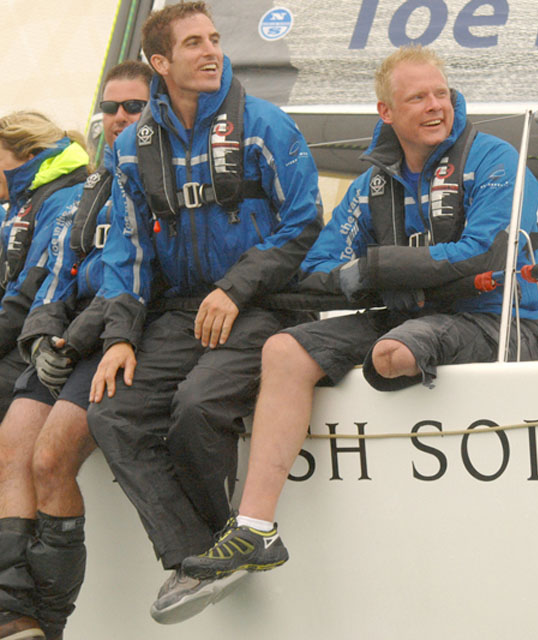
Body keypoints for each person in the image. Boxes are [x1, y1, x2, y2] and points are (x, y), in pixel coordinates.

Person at [178, 45, 538, 599]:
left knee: (394, 355)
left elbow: (488, 252)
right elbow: (318, 265)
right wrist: (378, 277)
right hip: (408, 314)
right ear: (386, 113)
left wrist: (378, 268)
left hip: (497, 321)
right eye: (417, 98)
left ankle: (437, 536)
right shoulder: (370, 185)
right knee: (283, 350)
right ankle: (254, 530)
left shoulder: (495, 160)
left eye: (441, 94)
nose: (435, 106)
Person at [83, 1, 321, 626]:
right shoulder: (132, 148)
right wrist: (119, 336)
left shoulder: (266, 126)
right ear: (161, 63)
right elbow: (127, 247)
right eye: (193, 43)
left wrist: (238, 288)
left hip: (264, 306)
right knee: (111, 413)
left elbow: (304, 224)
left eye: (214, 39)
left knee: (196, 407)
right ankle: (200, 557)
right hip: (180, 313)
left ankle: (224, 550)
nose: (211, 51)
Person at [0, 61, 152, 640]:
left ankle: (48, 623)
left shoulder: (153, 176)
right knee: (12, 449)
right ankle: (13, 615)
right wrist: (43, 335)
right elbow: (54, 275)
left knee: (48, 460)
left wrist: (77, 337)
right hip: (67, 337)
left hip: (123, 337)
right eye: (110, 108)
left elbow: (141, 275)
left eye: (133, 107)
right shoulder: (94, 182)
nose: (119, 118)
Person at [0, 113, 90, 423]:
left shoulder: (62, 196)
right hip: (21, 330)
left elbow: (28, 293)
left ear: (29, 156)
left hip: (44, 335)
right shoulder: (22, 200)